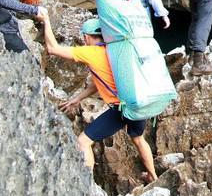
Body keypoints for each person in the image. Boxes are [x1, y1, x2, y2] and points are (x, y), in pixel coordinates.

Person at [41, 12, 158, 182]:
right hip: (138, 102)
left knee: (83, 142)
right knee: (138, 139)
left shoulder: (91, 52)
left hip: (121, 109)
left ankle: (86, 186)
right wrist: (78, 98)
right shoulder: (115, 50)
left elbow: (52, 49)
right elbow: (100, 81)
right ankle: (153, 176)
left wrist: (45, 20)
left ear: (87, 37)